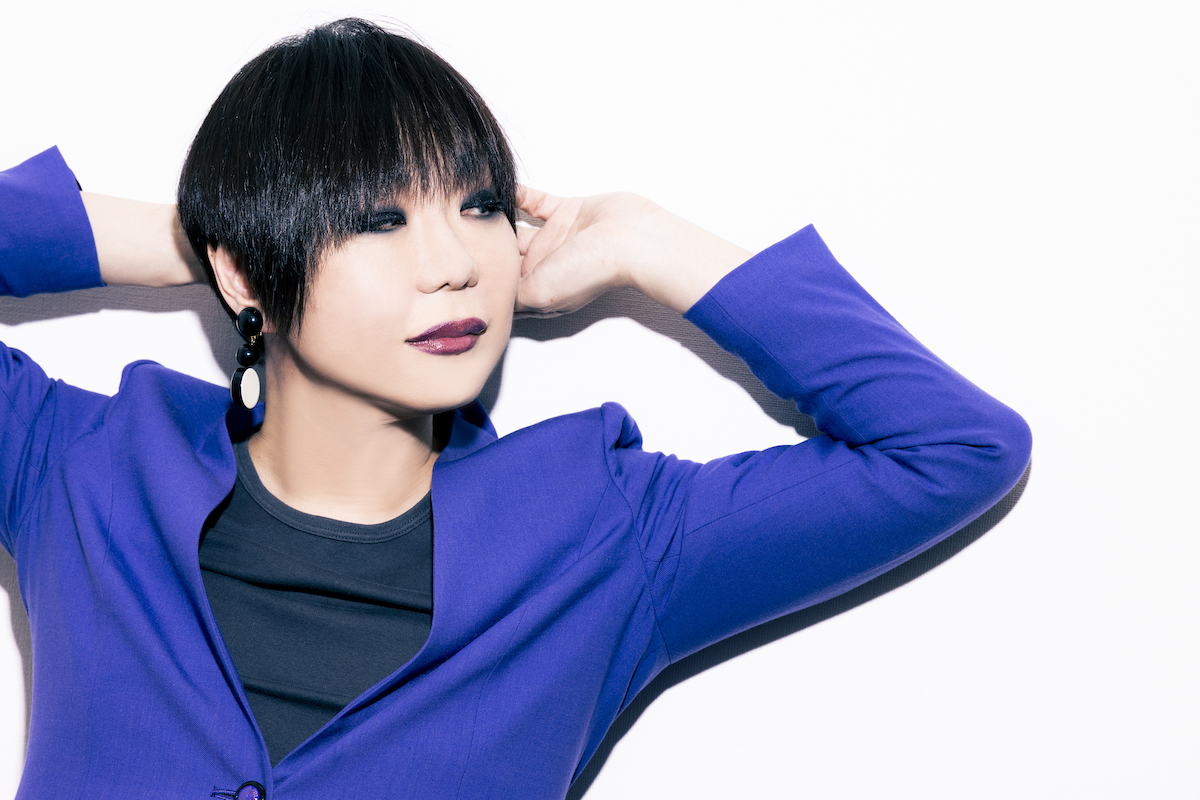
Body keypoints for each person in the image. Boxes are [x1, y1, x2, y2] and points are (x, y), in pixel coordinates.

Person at [0, 17, 1031, 800]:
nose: (455, 263)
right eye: (378, 219)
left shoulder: (601, 533)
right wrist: (201, 236)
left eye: (481, 204)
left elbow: (953, 446)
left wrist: (648, 241)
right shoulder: (77, 467)